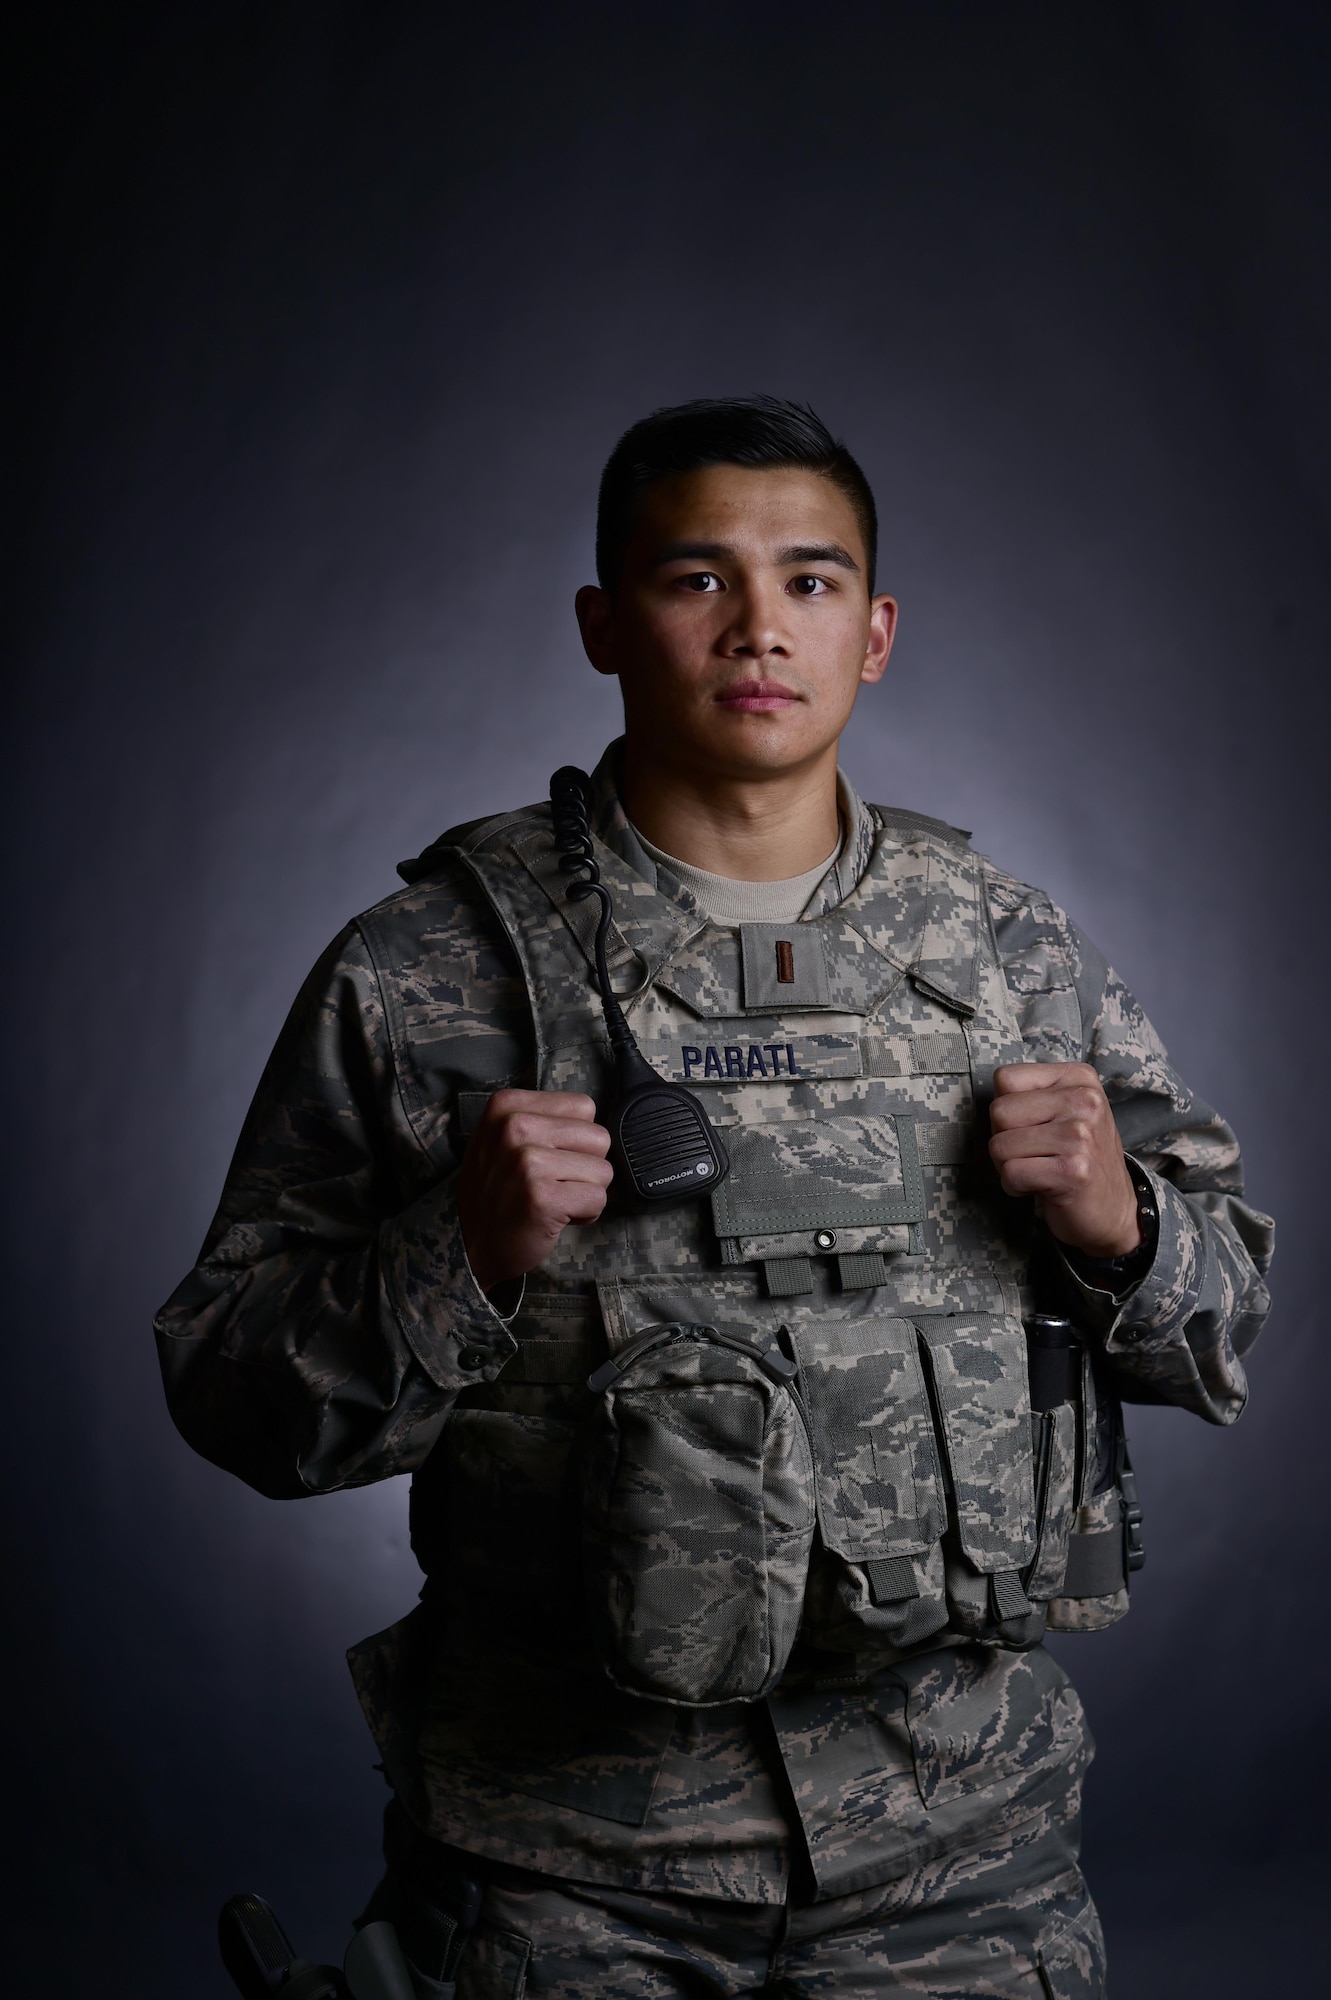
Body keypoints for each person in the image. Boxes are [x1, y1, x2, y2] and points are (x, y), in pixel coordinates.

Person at [156, 397, 1273, 1999]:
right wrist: (455, 1258)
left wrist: (1127, 1227)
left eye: (812, 583)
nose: (761, 626)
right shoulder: (430, 969)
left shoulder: (1014, 954)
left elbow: (1226, 1320)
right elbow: (229, 1390)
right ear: (604, 623)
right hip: (568, 1872)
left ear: (875, 633)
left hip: (960, 1864)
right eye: (698, 580)